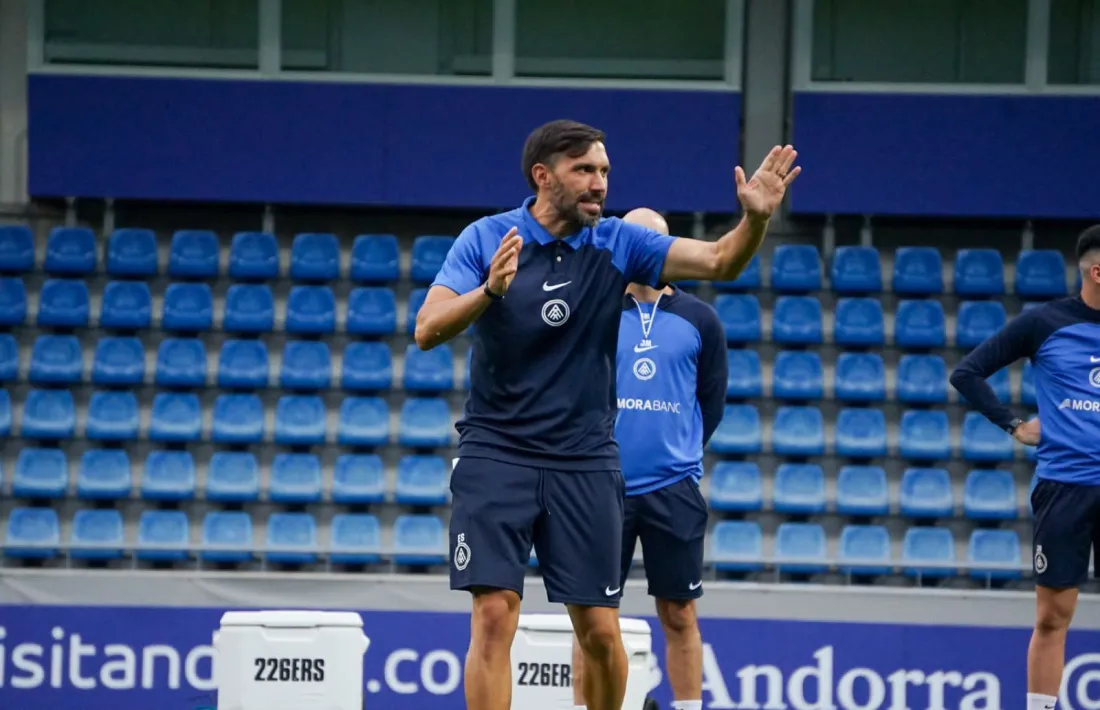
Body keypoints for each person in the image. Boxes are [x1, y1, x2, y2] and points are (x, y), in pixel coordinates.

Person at [415, 118, 799, 710]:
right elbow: (426, 329)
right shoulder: (487, 237)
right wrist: (489, 291)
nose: (600, 184)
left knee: (598, 630)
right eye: (585, 171)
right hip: (497, 451)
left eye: (605, 172)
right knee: (493, 616)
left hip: (585, 460)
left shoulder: (619, 242)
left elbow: (721, 261)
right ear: (544, 177)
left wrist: (756, 219)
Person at [569, 207, 727, 710]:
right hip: (599, 485)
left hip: (672, 486)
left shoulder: (701, 318)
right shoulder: (596, 308)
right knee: (592, 617)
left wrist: (677, 454)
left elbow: (711, 401)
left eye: (655, 244)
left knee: (679, 611)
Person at [949, 225, 1100, 710]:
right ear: (1098, 271)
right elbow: (967, 373)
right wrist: (1013, 425)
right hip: (1064, 487)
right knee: (1054, 615)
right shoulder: (1045, 323)